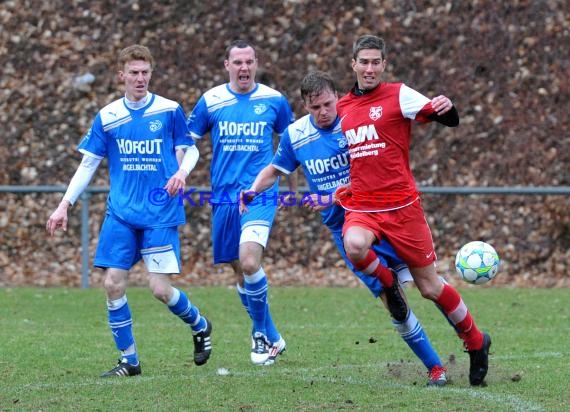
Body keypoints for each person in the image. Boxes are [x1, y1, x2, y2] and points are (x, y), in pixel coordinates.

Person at [240, 71, 447, 386]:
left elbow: (374, 173)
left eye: (327, 104)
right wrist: (254, 190)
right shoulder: (296, 135)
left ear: (337, 97)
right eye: (315, 108)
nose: (323, 113)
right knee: (393, 302)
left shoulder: (354, 124)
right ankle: (435, 368)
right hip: (347, 234)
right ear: (305, 107)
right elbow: (274, 169)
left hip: (383, 218)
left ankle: (472, 341)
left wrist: (333, 195)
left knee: (427, 286)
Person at [46, 44, 212, 377]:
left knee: (160, 290)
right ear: (122, 75)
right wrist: (65, 204)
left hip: (159, 213)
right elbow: (88, 163)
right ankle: (129, 361)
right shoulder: (108, 117)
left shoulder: (169, 110)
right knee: (112, 284)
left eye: (145, 73)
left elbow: (189, 151)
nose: (140, 78)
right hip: (121, 214)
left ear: (151, 74)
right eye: (133, 73)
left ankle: (200, 325)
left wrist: (181, 173)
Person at [336, 34, 491, 386]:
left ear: (384, 65)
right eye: (364, 62)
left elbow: (449, 120)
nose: (370, 68)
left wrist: (446, 106)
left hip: (403, 208)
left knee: (430, 287)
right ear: (354, 64)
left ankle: (476, 341)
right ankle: (389, 282)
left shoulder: (399, 94)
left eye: (376, 62)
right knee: (355, 246)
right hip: (363, 206)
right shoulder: (343, 107)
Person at [186, 39, 295, 365]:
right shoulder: (211, 101)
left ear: (256, 63)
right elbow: (188, 142)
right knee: (238, 270)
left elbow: (292, 144)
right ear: (227, 65)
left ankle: (260, 335)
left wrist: (296, 188)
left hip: (260, 193)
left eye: (249, 62)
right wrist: (179, 171)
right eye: (238, 63)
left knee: (249, 262)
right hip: (223, 198)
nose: (244, 68)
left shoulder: (274, 100)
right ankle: (272, 334)